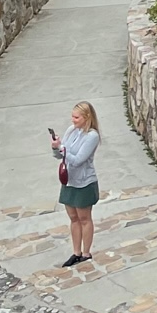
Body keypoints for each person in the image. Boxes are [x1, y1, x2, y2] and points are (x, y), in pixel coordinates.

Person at [50, 101, 101, 267]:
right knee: (73, 217)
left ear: (86, 117)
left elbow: (79, 160)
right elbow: (61, 156)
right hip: (69, 180)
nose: (73, 120)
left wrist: (62, 148)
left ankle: (86, 253)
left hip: (84, 182)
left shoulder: (92, 136)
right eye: (72, 116)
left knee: (84, 218)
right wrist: (56, 148)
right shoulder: (71, 131)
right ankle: (76, 252)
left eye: (76, 117)